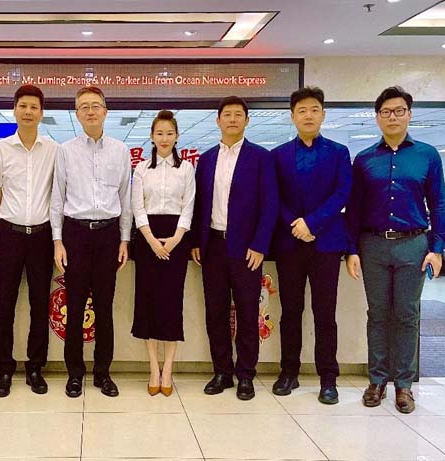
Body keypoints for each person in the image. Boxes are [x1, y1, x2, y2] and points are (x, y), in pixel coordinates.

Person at [345, 86, 445, 414]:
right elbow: (354, 208)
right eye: (386, 111)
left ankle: (403, 384)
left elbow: (438, 203)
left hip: (413, 245)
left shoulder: (427, 155)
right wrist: (351, 249)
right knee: (377, 314)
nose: (393, 117)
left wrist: (438, 248)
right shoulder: (364, 159)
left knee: (407, 315)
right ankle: (376, 380)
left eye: (399, 110)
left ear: (409, 114)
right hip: (373, 244)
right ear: (377, 117)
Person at [191, 96, 278, 401]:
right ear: (218, 120)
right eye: (226, 115)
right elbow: (199, 204)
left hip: (246, 249)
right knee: (215, 312)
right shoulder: (206, 159)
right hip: (213, 245)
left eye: (238, 115)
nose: (232, 119)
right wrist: (197, 241)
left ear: (246, 121)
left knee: (247, 311)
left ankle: (246, 375)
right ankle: (222, 372)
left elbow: (270, 204)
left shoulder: (261, 157)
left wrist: (260, 244)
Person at [271, 86, 352, 404]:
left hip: (326, 244)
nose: (308, 115)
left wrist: (312, 223)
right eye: (302, 110)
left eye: (314, 110)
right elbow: (274, 197)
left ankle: (328, 379)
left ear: (323, 115)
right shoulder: (278, 155)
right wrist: (296, 224)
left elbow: (342, 193)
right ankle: (288, 372)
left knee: (325, 314)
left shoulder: (338, 152)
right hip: (289, 244)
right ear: (292, 116)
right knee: (290, 312)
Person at [50, 86, 132, 398]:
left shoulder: (120, 151)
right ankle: (75, 373)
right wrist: (58, 240)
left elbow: (125, 198)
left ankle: (102, 373)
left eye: (95, 106)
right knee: (74, 305)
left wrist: (124, 239)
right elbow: (57, 198)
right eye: (83, 107)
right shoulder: (66, 151)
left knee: (104, 307)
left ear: (105, 112)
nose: (90, 111)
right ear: (77, 114)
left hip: (108, 235)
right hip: (75, 234)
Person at [0, 85, 58, 397]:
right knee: (5, 304)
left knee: (40, 305)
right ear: (14, 110)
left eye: (34, 107)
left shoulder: (53, 150)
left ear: (41, 113)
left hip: (42, 236)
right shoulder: (1, 149)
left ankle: (35, 367)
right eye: (23, 106)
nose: (28, 112)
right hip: (8, 234)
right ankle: (4, 368)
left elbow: (59, 196)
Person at [131, 110, 195, 397]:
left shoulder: (187, 169)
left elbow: (188, 207)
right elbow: (137, 207)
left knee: (171, 304)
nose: (164, 138)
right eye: (159, 133)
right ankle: (153, 368)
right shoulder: (142, 169)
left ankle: (168, 369)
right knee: (147, 303)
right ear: (152, 137)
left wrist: (175, 240)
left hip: (177, 239)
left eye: (169, 133)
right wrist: (152, 241)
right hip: (147, 239)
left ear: (177, 136)